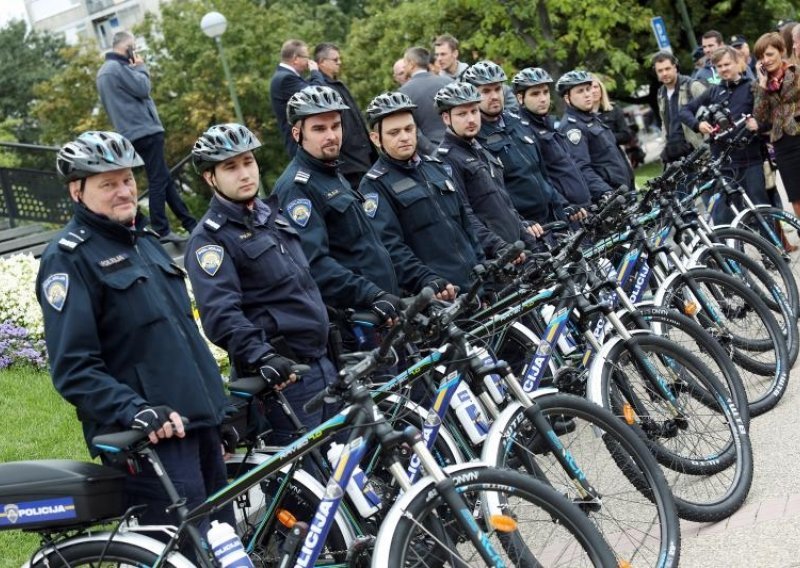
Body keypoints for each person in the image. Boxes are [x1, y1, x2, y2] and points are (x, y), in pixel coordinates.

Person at [37, 130, 231, 534]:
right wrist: (133, 410)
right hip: (152, 439)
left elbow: (181, 339)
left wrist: (218, 409)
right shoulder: (68, 258)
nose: (124, 190)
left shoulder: (145, 240)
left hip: (199, 425)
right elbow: (73, 367)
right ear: (77, 191)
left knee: (224, 543)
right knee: (185, 552)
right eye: (107, 184)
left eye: (127, 179)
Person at [186, 123, 335, 445]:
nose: (244, 173)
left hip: (323, 362)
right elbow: (220, 313)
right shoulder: (210, 239)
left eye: (248, 162)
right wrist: (263, 356)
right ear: (210, 178)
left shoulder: (272, 217)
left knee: (348, 465)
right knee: (312, 477)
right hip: (285, 379)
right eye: (230, 167)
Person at [273, 86, 402, 326]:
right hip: (358, 320)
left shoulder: (331, 172)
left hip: (385, 309)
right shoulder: (296, 188)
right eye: (319, 129)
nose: (331, 135)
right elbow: (314, 264)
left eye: (335, 126)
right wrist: (371, 295)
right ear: (297, 134)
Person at [360, 91, 481, 295]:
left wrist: (482, 265)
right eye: (394, 132)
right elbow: (391, 248)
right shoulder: (373, 186)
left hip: (475, 285)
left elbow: (465, 224)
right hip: (440, 297)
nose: (405, 137)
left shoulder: (435, 166)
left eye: (409, 129)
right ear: (376, 138)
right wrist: (427, 280)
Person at [96, 31, 196, 243]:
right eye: (134, 48)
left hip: (131, 131)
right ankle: (161, 228)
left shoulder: (104, 72)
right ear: (127, 49)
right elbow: (143, 88)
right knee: (159, 179)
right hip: (145, 130)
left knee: (164, 178)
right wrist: (140, 67)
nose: (136, 52)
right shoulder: (118, 68)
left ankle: (190, 224)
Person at [435, 81, 540, 259]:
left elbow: (505, 205)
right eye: (462, 114)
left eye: (474, 111)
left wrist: (530, 242)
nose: (470, 119)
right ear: (446, 118)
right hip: (497, 261)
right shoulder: (446, 159)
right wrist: (499, 247)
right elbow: (465, 217)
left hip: (517, 252)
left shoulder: (479, 148)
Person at [463, 61, 569, 225]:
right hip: (524, 228)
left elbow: (542, 175)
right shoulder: (474, 138)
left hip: (551, 219)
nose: (494, 96)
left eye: (498, 89)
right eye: (486, 91)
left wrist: (562, 208)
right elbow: (493, 198)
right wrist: (520, 224)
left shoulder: (518, 122)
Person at [680, 46, 768, 224]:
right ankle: (737, 250)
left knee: (761, 210)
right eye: (719, 66)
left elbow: (767, 119)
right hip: (723, 164)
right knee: (726, 217)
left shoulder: (752, 87)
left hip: (750, 159)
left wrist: (757, 125)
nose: (724, 69)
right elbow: (684, 111)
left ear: (738, 63)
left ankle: (772, 250)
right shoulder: (713, 91)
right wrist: (698, 125)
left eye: (727, 64)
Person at [511, 67, 595, 207]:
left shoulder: (547, 124)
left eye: (545, 92)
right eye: (535, 94)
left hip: (583, 206)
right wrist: (564, 205)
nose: (543, 98)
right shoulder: (523, 132)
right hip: (567, 213)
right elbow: (539, 179)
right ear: (520, 98)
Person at [310, 43, 378, 189]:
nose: (339, 62)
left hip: (363, 156)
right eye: (335, 60)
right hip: (350, 163)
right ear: (321, 62)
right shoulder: (321, 88)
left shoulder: (337, 84)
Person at [557, 70, 635, 194]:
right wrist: (606, 193)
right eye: (580, 91)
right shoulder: (572, 127)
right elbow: (582, 168)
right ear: (567, 98)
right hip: (611, 196)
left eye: (588, 89)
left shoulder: (592, 118)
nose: (587, 94)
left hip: (625, 188)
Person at [754, 32, 800, 222]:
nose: (766, 60)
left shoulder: (796, 72)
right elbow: (760, 117)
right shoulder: (759, 86)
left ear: (782, 51)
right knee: (796, 197)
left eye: (770, 54)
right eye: (761, 57)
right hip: (783, 146)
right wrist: (763, 84)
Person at [652, 51, 707, 165]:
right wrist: (664, 149)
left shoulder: (693, 86)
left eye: (667, 68)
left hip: (699, 154)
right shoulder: (661, 93)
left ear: (675, 67)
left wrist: (707, 149)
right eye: (660, 71)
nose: (664, 73)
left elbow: (710, 117)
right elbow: (664, 124)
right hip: (676, 158)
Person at [398, 47, 452, 155]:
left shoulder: (403, 92)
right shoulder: (449, 82)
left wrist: (431, 150)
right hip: (457, 146)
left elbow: (410, 128)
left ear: (411, 64)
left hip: (428, 155)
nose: (404, 67)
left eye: (405, 63)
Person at [270, 39, 313, 157]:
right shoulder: (286, 78)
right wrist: (315, 73)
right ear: (296, 58)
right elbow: (315, 95)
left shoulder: (285, 76)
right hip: (300, 145)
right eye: (306, 57)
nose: (308, 62)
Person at [590, 76, 634, 148]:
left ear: (601, 89)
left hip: (616, 155)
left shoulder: (613, 109)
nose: (594, 91)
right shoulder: (583, 116)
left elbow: (626, 135)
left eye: (596, 87)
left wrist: (604, 138)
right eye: (590, 88)